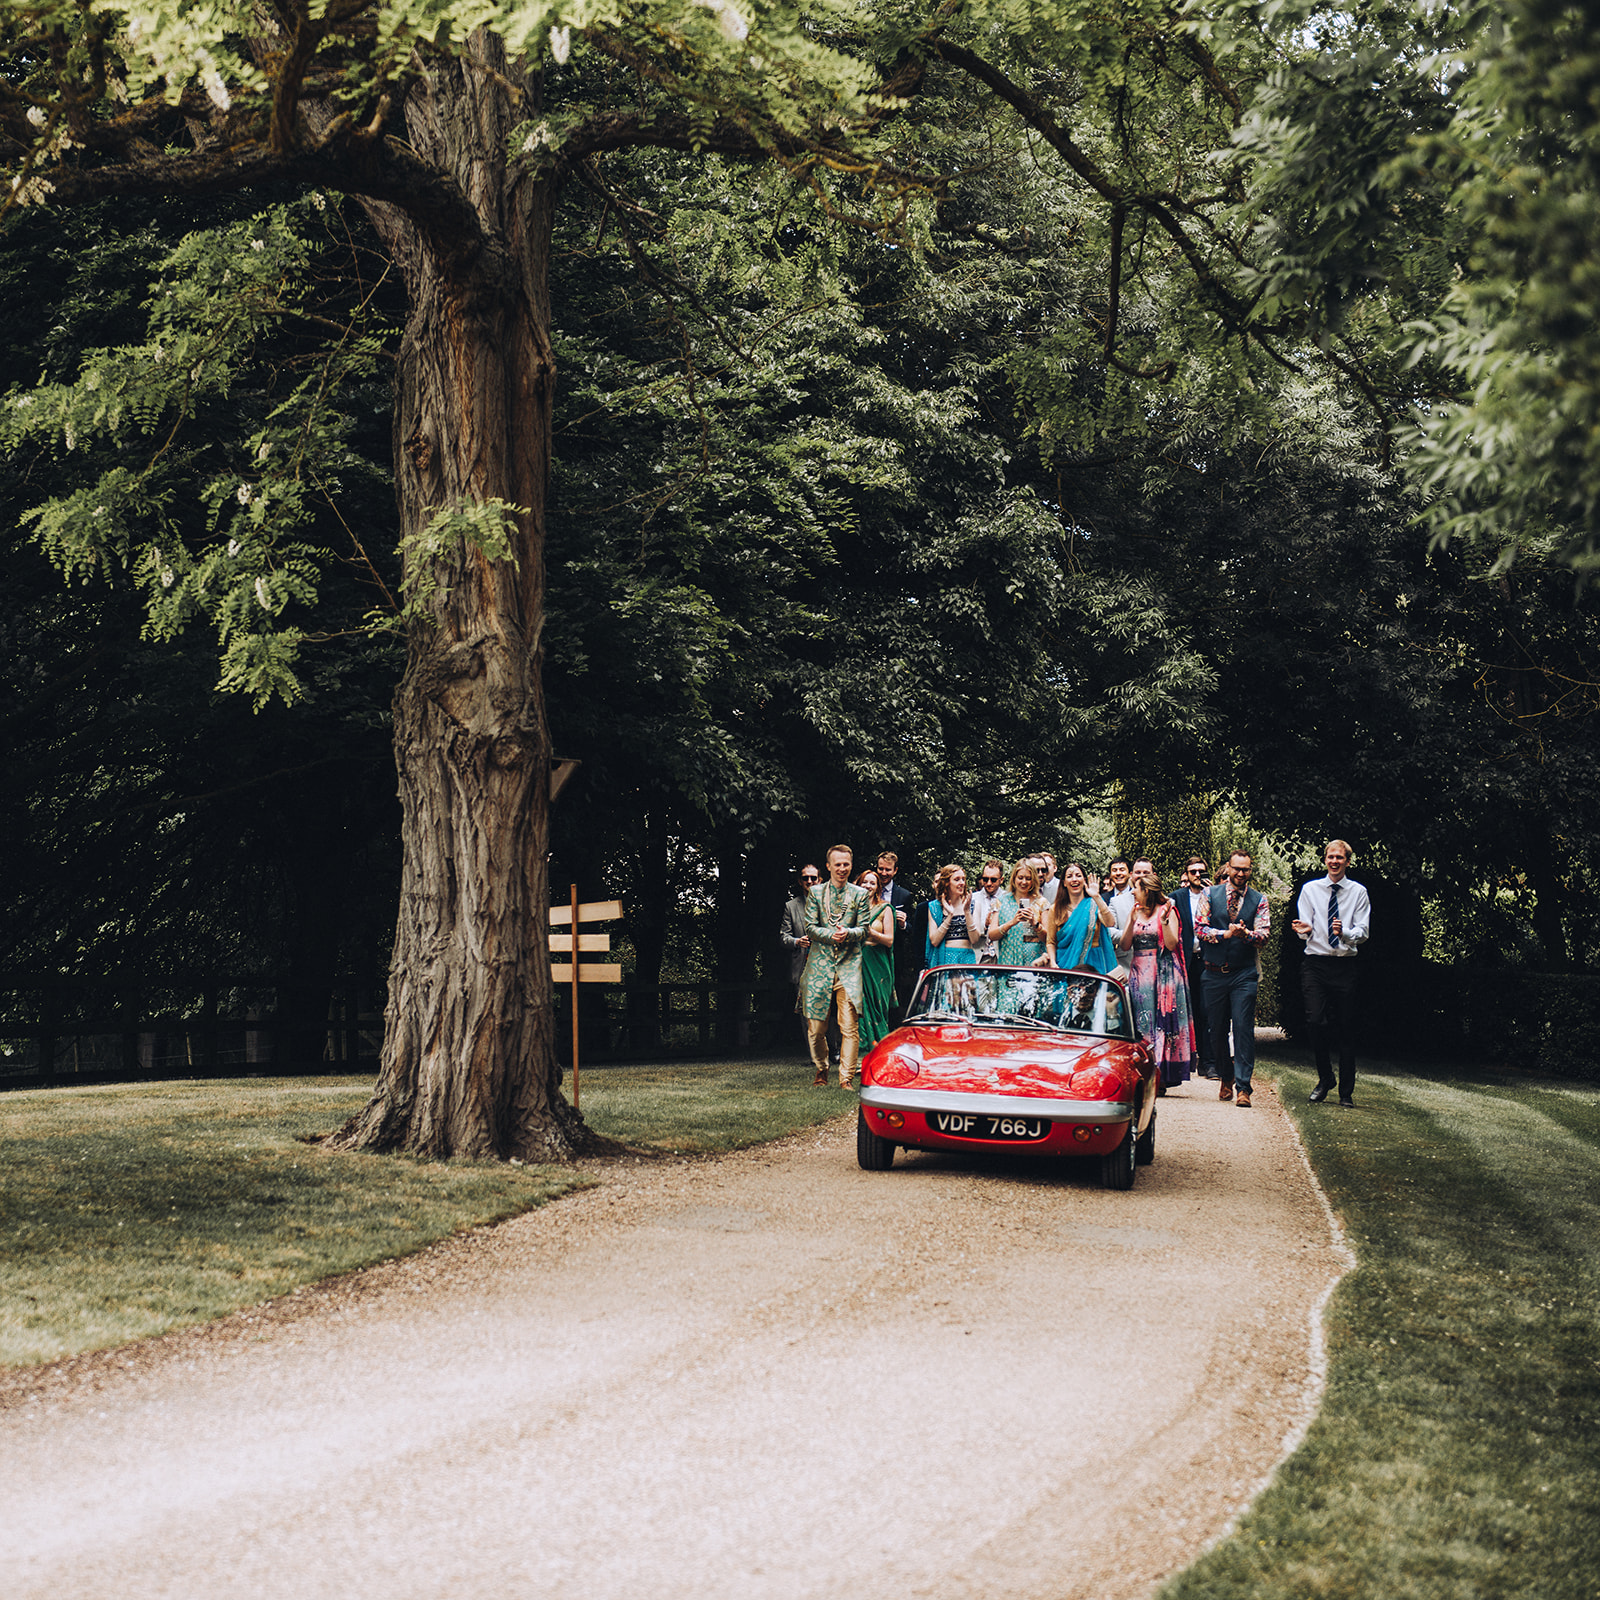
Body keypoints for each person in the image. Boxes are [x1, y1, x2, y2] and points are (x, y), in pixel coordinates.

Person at [1292, 839, 1371, 1108]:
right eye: (1330, 857)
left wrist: (1344, 933)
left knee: (1347, 1030)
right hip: (1315, 963)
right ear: (1324, 860)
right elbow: (1306, 927)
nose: (1334, 861)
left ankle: (1346, 1093)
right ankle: (1326, 1078)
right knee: (1315, 1022)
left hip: (1344, 966)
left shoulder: (1358, 892)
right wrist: (1304, 929)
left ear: (1347, 861)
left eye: (1339, 857)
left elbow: (1363, 931)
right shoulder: (1310, 890)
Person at [1197, 850, 1270, 1106]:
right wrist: (1225, 934)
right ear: (1228, 868)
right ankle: (1225, 1078)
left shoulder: (1259, 900)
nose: (1240, 873)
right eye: (1237, 868)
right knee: (1216, 1030)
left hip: (1243, 974)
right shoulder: (1209, 894)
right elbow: (1200, 929)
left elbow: (1263, 936)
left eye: (1246, 869)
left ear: (1251, 870)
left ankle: (1243, 1088)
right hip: (1214, 973)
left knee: (1243, 1029)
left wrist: (1245, 934)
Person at [800, 845, 875, 1089]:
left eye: (846, 864)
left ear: (851, 865)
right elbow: (810, 927)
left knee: (849, 1026)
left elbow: (864, 929)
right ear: (829, 866)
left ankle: (846, 1078)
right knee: (816, 1026)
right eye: (838, 864)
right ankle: (821, 1069)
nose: (842, 869)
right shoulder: (816, 893)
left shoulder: (860, 895)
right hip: (820, 966)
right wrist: (831, 934)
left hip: (849, 966)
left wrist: (849, 933)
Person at [1116, 870, 1196, 1091]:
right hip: (1140, 974)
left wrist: (1164, 921)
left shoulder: (1167, 910)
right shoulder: (1135, 912)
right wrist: (1130, 923)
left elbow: (1171, 945)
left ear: (1147, 892)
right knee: (1142, 1024)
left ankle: (1161, 1073)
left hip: (1164, 974)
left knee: (1161, 1023)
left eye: (1137, 888)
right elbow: (1124, 946)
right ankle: (1144, 1071)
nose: (1132, 891)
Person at [1173, 856, 1216, 1078]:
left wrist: (1214, 894)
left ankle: (1208, 1062)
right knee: (1182, 1010)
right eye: (1193, 871)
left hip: (1207, 959)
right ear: (1186, 875)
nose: (1198, 875)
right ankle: (1183, 1059)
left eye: (1201, 871)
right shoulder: (1177, 897)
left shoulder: (1215, 895)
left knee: (1206, 1010)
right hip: (1184, 960)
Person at [1040, 862, 1120, 973]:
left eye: (1078, 875)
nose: (1074, 879)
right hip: (1064, 965)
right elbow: (1051, 942)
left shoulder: (1094, 904)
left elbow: (1110, 923)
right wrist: (1053, 962)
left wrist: (1097, 896)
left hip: (1094, 965)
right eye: (1069, 876)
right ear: (1064, 883)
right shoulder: (1055, 909)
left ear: (1084, 880)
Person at [779, 865, 822, 1051]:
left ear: (820, 880)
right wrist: (797, 941)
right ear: (800, 881)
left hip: (827, 964)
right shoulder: (791, 906)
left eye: (813, 878)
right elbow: (783, 936)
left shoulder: (829, 904)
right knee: (806, 1012)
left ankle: (834, 1049)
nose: (810, 882)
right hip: (803, 966)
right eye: (806, 878)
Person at [856, 869, 897, 1052]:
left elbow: (889, 940)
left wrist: (869, 931)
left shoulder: (885, 908)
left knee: (878, 1008)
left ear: (878, 888)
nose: (868, 886)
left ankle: (881, 1051)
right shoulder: (851, 909)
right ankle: (861, 1055)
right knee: (861, 1009)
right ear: (858, 885)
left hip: (878, 964)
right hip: (857, 963)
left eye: (872, 883)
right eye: (865, 882)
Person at [991, 859, 1048, 966]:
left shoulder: (1041, 903)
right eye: (1020, 878)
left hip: (1034, 960)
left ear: (1033, 880)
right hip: (1008, 959)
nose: (1024, 882)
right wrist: (1012, 922)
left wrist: (1034, 923)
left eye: (1028, 878)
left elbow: (1048, 939)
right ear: (1014, 878)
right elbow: (992, 935)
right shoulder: (1002, 901)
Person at [926, 863, 980, 967]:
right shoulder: (935, 906)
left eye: (963, 879)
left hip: (967, 958)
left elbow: (974, 940)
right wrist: (949, 916)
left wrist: (967, 912)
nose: (962, 883)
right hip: (946, 958)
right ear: (947, 883)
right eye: (957, 879)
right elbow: (934, 941)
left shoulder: (973, 904)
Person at [971, 859, 1006, 962]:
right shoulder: (972, 899)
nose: (989, 883)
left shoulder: (1008, 899)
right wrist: (984, 926)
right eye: (985, 879)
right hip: (978, 955)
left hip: (1001, 956)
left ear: (1001, 880)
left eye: (993, 880)